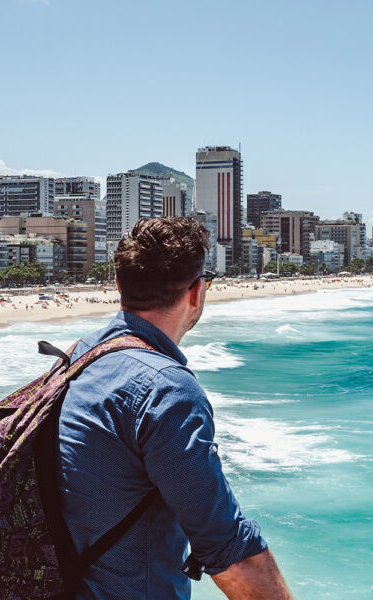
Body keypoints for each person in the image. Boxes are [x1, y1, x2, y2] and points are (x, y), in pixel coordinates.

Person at [54, 217, 293, 600]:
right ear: (197, 292)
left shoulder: (77, 357)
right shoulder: (167, 392)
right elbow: (228, 550)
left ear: (119, 286)